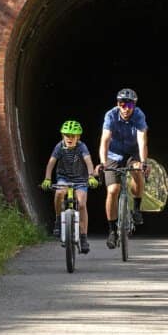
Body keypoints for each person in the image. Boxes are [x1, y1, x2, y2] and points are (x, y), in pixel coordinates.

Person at [98, 87, 149, 249]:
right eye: (122, 104)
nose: (126, 108)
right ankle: (112, 231)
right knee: (113, 190)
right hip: (113, 155)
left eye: (130, 105)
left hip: (132, 153)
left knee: (137, 171)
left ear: (135, 106)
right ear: (117, 104)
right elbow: (105, 140)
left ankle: (136, 207)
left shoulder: (139, 115)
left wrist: (143, 161)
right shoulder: (110, 115)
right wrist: (103, 162)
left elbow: (142, 141)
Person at [40, 119, 100, 254]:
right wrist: (47, 179)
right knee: (59, 193)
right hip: (64, 178)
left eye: (73, 136)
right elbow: (51, 163)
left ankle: (83, 237)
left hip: (80, 180)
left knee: (82, 203)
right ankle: (58, 220)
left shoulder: (82, 147)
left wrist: (91, 176)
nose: (70, 138)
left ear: (78, 137)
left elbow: (89, 161)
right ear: (63, 136)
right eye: (67, 135)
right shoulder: (59, 147)